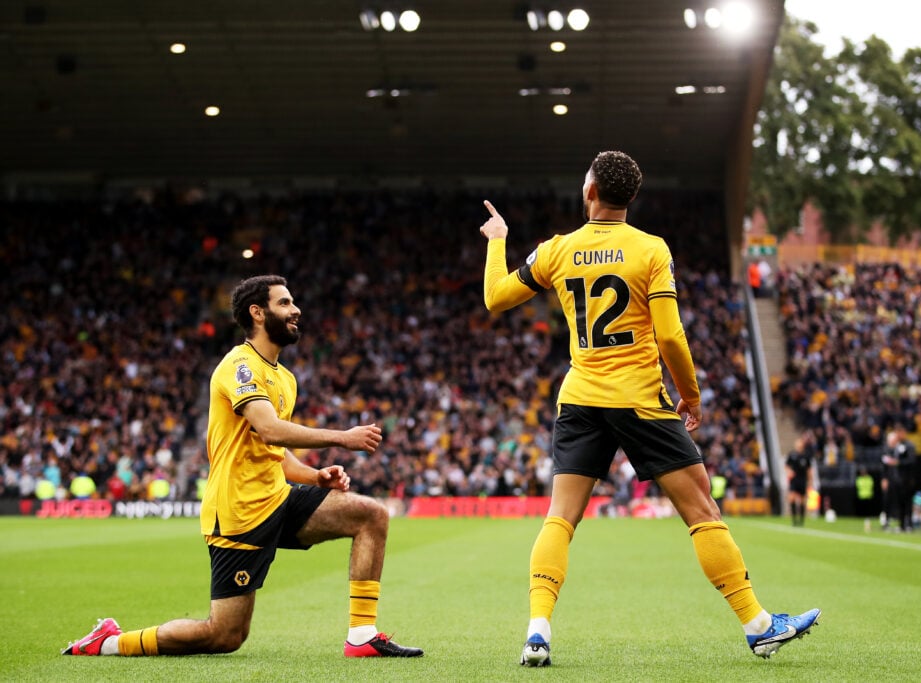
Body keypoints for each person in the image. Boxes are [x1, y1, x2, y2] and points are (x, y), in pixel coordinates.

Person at [477, 151, 820, 664]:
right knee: (701, 509)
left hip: (580, 397)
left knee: (560, 518)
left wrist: (499, 240)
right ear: (629, 198)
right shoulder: (650, 250)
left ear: (590, 191)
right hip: (639, 398)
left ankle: (537, 631)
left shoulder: (557, 249)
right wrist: (692, 394)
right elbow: (669, 335)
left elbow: (495, 298)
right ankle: (759, 624)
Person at [63, 275, 422, 659]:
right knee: (225, 635)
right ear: (257, 312)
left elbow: (272, 449)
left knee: (371, 516)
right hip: (238, 513)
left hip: (277, 498)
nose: (295, 309)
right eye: (284, 303)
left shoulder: (285, 378)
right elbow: (268, 429)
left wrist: (313, 476)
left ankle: (362, 636)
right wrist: (342, 437)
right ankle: (111, 642)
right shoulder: (239, 366)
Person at [881, 424, 917, 532]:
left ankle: (909, 523)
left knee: (907, 502)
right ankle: (901, 524)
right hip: (897, 479)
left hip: (906, 478)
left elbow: (911, 461)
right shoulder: (896, 446)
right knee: (900, 502)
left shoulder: (909, 445)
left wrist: (898, 462)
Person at [785, 435, 815, 526]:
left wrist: (810, 481)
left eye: (800, 444)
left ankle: (801, 521)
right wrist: (789, 472)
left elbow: (809, 470)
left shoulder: (806, 456)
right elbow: (786, 466)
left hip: (802, 480)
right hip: (794, 480)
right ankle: (794, 521)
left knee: (802, 500)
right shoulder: (792, 454)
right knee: (792, 498)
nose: (798, 446)